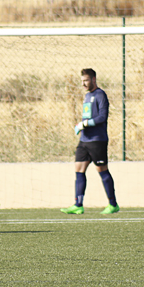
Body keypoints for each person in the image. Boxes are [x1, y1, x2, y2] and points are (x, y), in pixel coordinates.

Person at [61, 68, 119, 215]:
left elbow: (102, 117)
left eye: (86, 80)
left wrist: (85, 124)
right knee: (79, 170)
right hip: (84, 140)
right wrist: (80, 125)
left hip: (97, 141)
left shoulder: (100, 95)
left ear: (93, 79)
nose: (83, 84)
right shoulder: (87, 96)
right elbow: (88, 116)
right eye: (82, 81)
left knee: (102, 171)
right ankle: (78, 205)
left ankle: (113, 204)